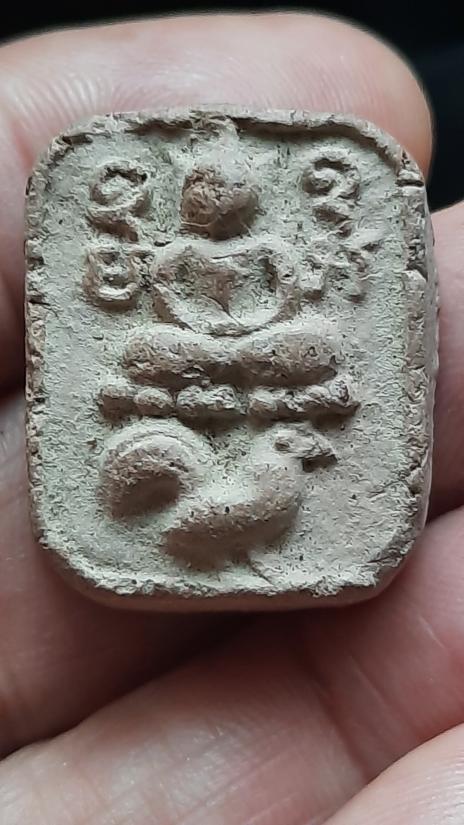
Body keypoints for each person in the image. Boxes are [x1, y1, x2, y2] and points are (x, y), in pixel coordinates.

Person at [0, 12, 461, 823]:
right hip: (193, 355)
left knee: (317, 341)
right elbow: (167, 310)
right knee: (143, 346)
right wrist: (204, 344)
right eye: (200, 193)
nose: (212, 203)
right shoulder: (175, 253)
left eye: (224, 191)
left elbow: (287, 308)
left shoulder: (272, 251)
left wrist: (250, 343)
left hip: (259, 354)